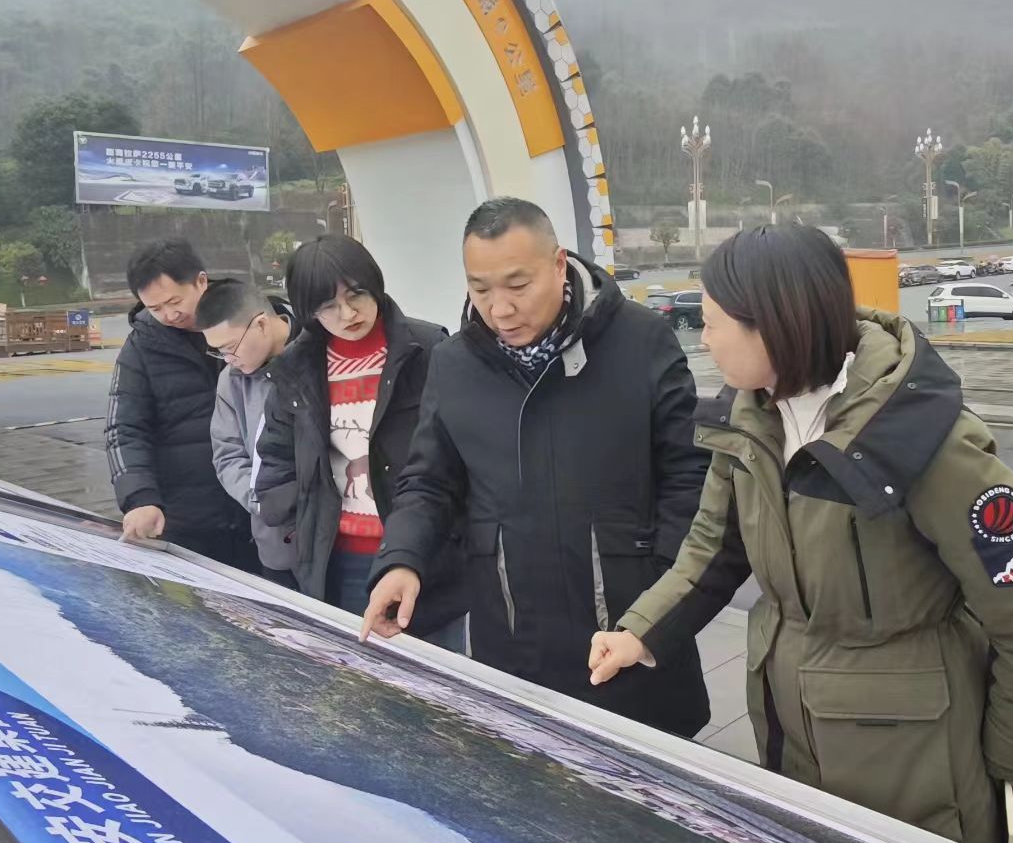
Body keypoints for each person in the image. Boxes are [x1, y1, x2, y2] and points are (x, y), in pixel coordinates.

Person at [587, 224, 1013, 843]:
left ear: (773, 326)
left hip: (916, 757)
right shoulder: (750, 420)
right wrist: (640, 632)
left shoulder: (919, 437)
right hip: (790, 725)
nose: (704, 339)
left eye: (713, 324)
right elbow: (713, 546)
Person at [362, 198, 711, 738]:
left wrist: (658, 594)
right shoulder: (454, 364)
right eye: (480, 289)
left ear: (558, 264)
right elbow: (428, 481)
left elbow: (690, 477)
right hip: (512, 638)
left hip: (629, 633)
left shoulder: (640, 340)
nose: (499, 309)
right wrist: (402, 560)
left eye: (518, 285)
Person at [253, 236, 468, 645]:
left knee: (435, 674)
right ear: (309, 310)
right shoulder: (295, 368)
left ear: (375, 285)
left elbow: (460, 448)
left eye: (356, 295)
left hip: (426, 556)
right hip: (339, 560)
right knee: (354, 676)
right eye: (328, 306)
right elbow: (275, 457)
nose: (347, 313)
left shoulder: (427, 350)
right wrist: (301, 521)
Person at [105, 238, 257, 572]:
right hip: (188, 521)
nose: (169, 315)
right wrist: (140, 499)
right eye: (155, 308)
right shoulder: (142, 347)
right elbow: (124, 430)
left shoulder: (248, 321)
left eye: (175, 301)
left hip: (260, 515)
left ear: (201, 281)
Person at [196, 279, 298, 583]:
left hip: (341, 543)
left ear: (261, 324)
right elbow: (227, 455)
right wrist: (263, 501)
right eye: (220, 352)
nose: (229, 360)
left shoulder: (319, 356)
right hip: (277, 546)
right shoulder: (232, 380)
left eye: (230, 348)